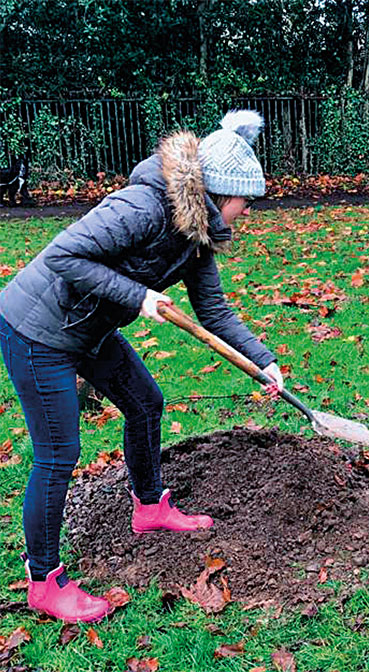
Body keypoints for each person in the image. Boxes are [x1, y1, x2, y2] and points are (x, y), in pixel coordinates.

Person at [0, 110, 284, 623]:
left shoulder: (196, 237)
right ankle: (43, 580)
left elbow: (214, 311)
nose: (247, 212)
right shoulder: (142, 207)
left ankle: (150, 506)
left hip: (85, 329)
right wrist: (139, 297)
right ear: (219, 194)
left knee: (145, 402)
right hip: (36, 329)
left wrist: (262, 361)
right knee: (58, 453)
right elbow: (65, 255)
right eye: (246, 202)